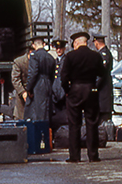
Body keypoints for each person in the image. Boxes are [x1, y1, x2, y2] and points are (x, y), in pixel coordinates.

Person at [59, 31, 105, 162]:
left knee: (74, 124)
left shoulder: (70, 56)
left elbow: (63, 77)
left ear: (76, 43)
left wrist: (68, 90)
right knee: (92, 123)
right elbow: (102, 73)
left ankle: (75, 156)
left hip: (75, 90)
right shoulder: (95, 56)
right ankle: (93, 155)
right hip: (91, 90)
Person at [24, 37, 56, 122]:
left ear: (33, 45)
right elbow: (52, 75)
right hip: (48, 84)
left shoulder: (34, 56)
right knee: (46, 112)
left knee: (36, 113)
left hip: (38, 85)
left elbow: (33, 73)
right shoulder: (51, 58)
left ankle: (37, 133)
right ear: (44, 44)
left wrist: (29, 89)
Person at [93, 34, 114, 119]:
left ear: (96, 42)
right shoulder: (102, 53)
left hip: (103, 90)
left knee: (103, 118)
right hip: (102, 91)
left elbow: (101, 73)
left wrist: (94, 85)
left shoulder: (104, 54)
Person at [11, 43, 31, 120]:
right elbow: (15, 79)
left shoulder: (39, 60)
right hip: (22, 97)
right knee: (21, 119)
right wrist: (22, 92)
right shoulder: (19, 62)